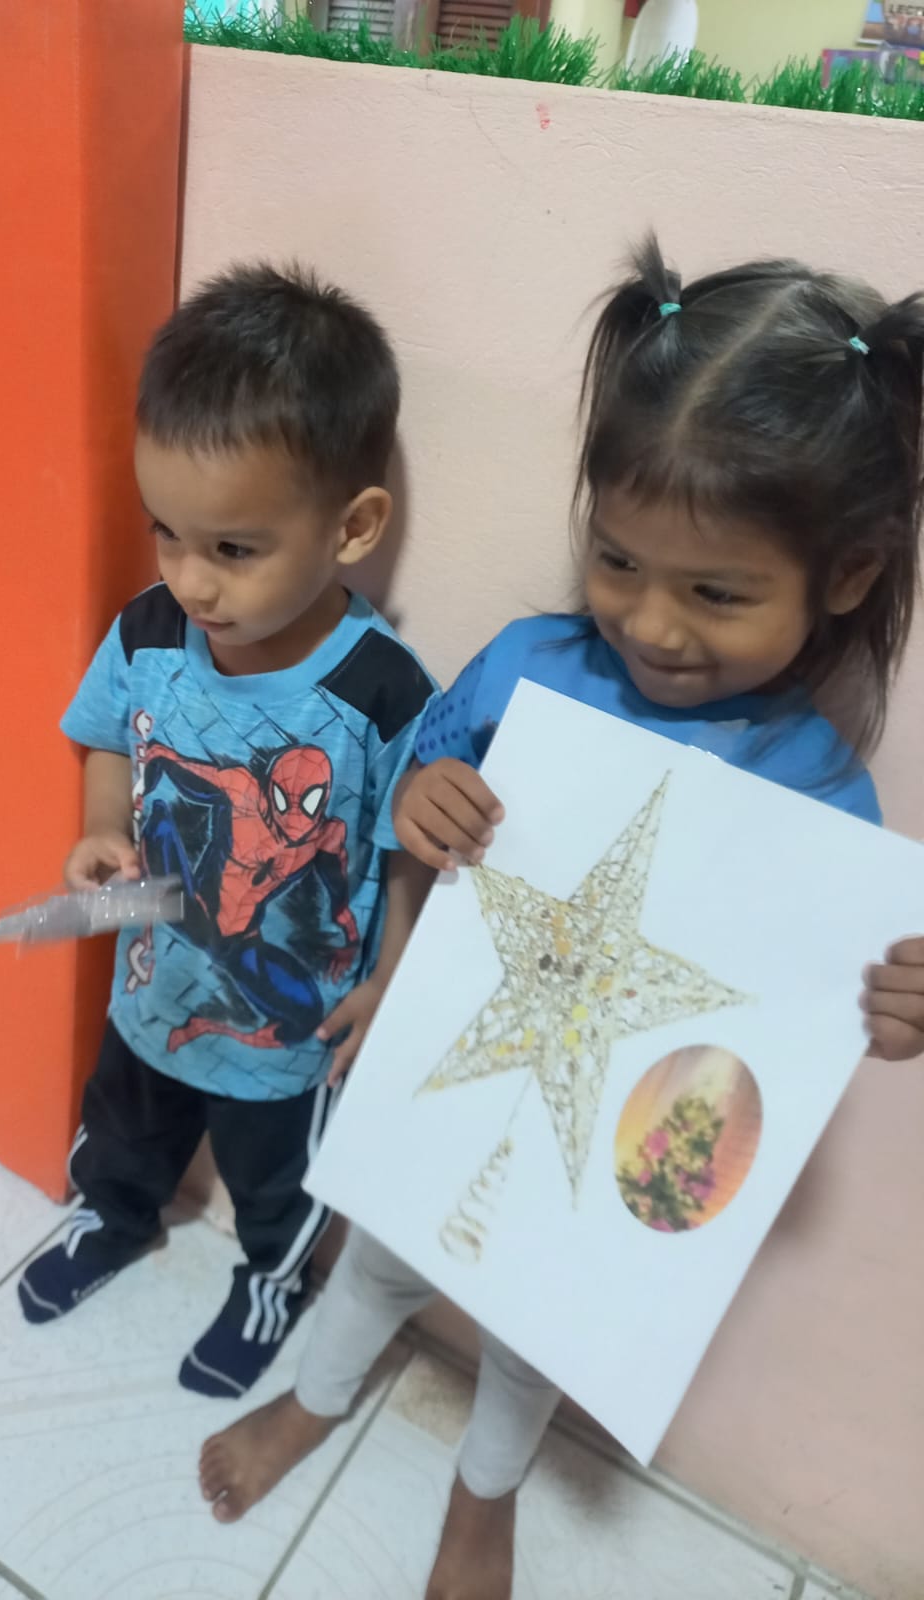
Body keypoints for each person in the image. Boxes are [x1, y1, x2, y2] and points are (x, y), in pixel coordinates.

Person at [198, 237, 924, 1600]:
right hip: (456, 1060)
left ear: (845, 576)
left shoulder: (821, 793)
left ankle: (486, 1493)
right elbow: (416, 802)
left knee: (539, 1326)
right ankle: (315, 1396)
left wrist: (893, 1010)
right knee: (382, 1253)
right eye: (617, 559)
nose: (652, 623)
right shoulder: (533, 665)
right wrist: (418, 828)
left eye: (717, 592)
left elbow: (818, 1008)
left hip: (622, 1132)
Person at [17, 264, 435, 1401]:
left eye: (233, 550)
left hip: (289, 1027)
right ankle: (110, 1221)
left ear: (352, 527)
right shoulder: (148, 631)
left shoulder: (385, 693)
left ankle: (272, 1285)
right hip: (149, 980)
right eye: (167, 533)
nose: (191, 581)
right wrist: (101, 830)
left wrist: (391, 978)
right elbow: (108, 734)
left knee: (276, 1185)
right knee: (122, 1130)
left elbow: (412, 852)